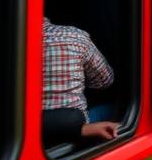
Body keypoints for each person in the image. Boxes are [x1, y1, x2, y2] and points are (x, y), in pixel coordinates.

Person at [42, 16, 120, 145]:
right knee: (120, 106)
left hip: (27, 136)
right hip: (77, 131)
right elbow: (106, 80)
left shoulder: (5, 44)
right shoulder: (75, 37)